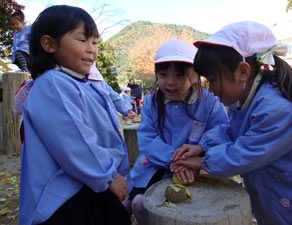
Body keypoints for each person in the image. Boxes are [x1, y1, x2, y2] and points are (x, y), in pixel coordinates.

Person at [19, 5, 132, 225]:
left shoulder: (80, 83)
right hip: (66, 199)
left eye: (95, 42)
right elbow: (76, 141)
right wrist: (108, 175)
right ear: (49, 44)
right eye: (82, 40)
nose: (92, 49)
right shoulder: (52, 84)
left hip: (87, 184)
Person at [171, 21, 292, 225]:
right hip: (270, 197)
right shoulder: (247, 97)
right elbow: (233, 132)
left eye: (212, 80)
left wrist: (203, 162)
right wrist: (202, 146)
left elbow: (245, 152)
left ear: (242, 72)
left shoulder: (276, 109)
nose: (210, 89)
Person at [126, 39, 229, 224]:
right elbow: (148, 138)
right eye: (163, 74)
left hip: (196, 170)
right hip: (155, 165)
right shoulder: (151, 103)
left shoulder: (209, 102)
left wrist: (198, 154)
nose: (170, 82)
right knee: (138, 203)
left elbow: (221, 132)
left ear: (196, 76)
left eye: (180, 75)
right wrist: (175, 159)